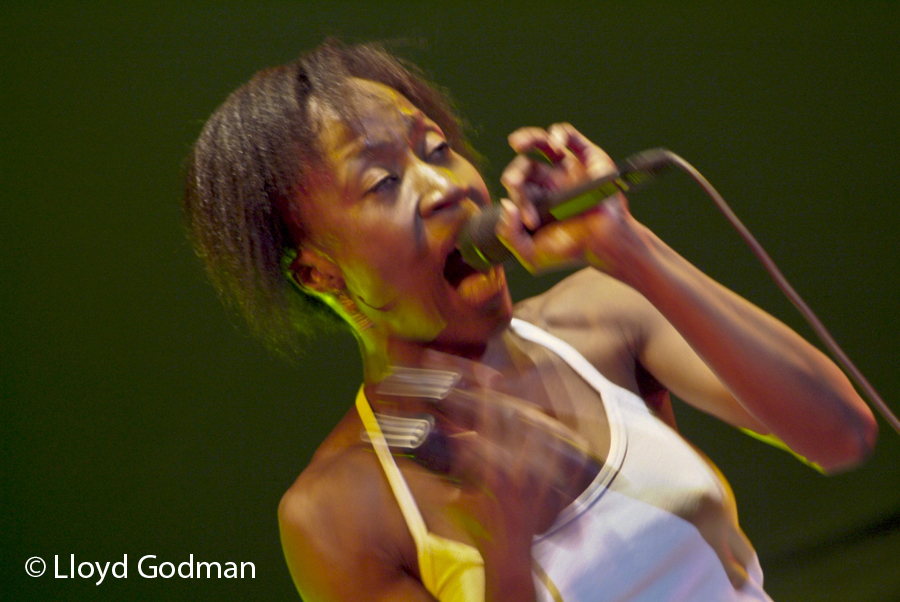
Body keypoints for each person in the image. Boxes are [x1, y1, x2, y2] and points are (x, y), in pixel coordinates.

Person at [183, 40, 877, 602]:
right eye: (384, 183)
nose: (446, 187)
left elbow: (842, 435)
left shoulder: (598, 316)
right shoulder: (336, 510)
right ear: (319, 274)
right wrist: (503, 549)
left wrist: (626, 248)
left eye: (435, 149)